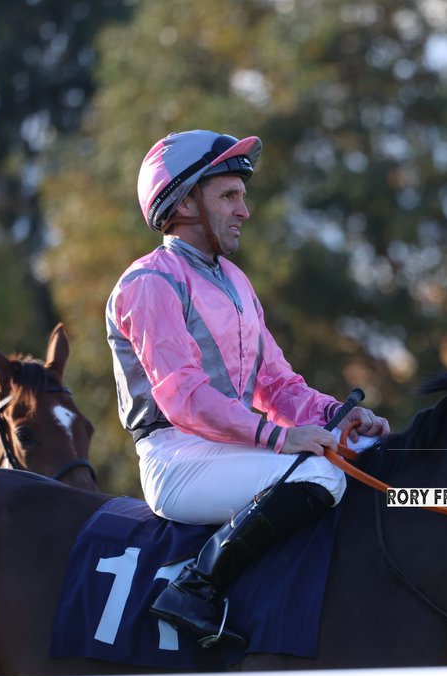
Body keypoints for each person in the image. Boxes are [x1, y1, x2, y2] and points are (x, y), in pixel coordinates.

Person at [107, 129, 389, 647]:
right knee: (322, 479)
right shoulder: (149, 281)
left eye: (243, 196)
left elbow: (277, 383)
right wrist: (285, 440)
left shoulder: (235, 281)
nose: (245, 210)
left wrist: (333, 416)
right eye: (229, 196)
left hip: (235, 449)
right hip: (176, 461)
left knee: (370, 453)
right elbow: (185, 398)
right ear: (185, 201)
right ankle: (198, 585)